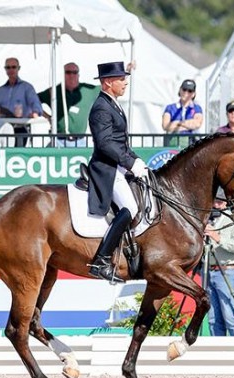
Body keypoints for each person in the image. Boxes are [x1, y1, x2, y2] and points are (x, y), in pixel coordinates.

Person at [86, 61, 148, 283]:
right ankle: (100, 260)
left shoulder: (113, 104)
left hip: (119, 164)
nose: (125, 82)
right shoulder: (101, 107)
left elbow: (121, 143)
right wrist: (129, 164)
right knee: (130, 208)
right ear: (107, 82)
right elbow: (105, 144)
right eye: (121, 79)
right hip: (107, 168)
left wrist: (136, 160)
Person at [205, 189, 234, 336]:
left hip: (227, 271)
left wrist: (217, 237)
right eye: (214, 201)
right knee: (213, 318)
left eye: (219, 202)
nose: (216, 205)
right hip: (209, 271)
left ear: (226, 203)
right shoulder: (209, 220)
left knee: (229, 316)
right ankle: (217, 353)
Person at [38, 62, 100, 147]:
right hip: (58, 141)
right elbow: (32, 100)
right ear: (63, 74)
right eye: (68, 72)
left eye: (74, 72)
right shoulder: (54, 91)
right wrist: (47, 116)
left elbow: (109, 87)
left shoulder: (88, 90)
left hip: (80, 142)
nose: (71, 75)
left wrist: (123, 74)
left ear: (78, 75)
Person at [0, 57, 44, 147]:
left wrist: (35, 112)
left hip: (19, 129)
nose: (11, 70)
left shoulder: (27, 87)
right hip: (1, 129)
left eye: (13, 67)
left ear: (18, 68)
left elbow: (35, 103)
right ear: (5, 69)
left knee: (17, 157)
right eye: (8, 67)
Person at [161, 79, 203, 147]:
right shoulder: (170, 107)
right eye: (184, 89)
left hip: (191, 143)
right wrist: (187, 125)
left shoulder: (197, 108)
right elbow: (165, 125)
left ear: (193, 94)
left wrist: (178, 124)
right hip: (172, 142)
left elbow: (197, 124)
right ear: (180, 90)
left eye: (190, 91)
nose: (186, 93)